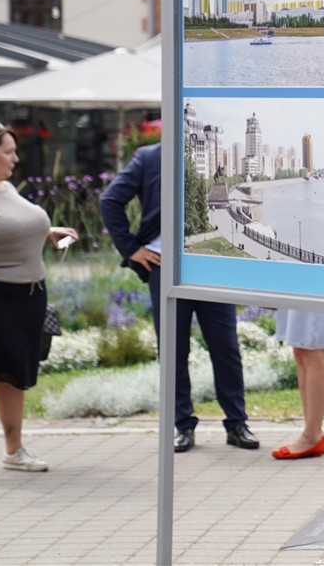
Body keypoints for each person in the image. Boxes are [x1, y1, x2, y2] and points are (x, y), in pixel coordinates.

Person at [99, 143, 259, 454]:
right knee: (173, 350)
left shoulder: (218, 151)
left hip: (214, 265)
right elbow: (109, 201)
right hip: (165, 267)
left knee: (226, 347)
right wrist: (131, 249)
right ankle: (182, 425)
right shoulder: (150, 156)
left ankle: (237, 423)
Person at [0, 120, 77, 475]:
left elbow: (8, 225)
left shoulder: (5, 189)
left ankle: (14, 451)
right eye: (8, 151)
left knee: (13, 374)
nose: (16, 158)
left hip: (27, 298)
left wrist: (46, 232)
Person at [271, 309, 324, 460]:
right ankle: (312, 432)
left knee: (311, 347)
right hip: (299, 286)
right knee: (299, 350)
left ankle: (311, 437)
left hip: (316, 288)